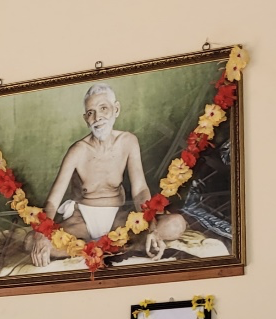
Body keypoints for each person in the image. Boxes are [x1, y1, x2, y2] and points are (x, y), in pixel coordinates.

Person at [28, 82, 187, 266]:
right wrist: (41, 236)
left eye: (103, 108)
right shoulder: (77, 151)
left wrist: (152, 228)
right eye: (91, 112)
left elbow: (140, 191)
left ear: (116, 109)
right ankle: (121, 247)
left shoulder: (128, 141)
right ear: (85, 119)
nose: (97, 118)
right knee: (30, 241)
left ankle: (101, 248)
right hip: (82, 221)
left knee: (176, 224)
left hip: (117, 220)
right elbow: (52, 202)